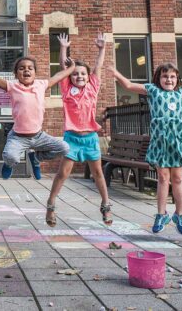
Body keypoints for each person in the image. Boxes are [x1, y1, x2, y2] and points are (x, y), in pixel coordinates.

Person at [111, 59, 182, 235]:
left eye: (172, 77)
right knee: (163, 178)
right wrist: (116, 74)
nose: (169, 80)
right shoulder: (153, 90)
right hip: (160, 142)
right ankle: (161, 214)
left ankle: (180, 214)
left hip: (177, 141)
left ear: (177, 79)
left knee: (177, 178)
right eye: (165, 76)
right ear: (158, 78)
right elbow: (130, 85)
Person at [0, 51, 74, 180]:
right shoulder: (12, 86)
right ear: (16, 74)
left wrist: (71, 68)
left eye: (30, 68)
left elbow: (59, 75)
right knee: (10, 157)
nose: (26, 71)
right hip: (18, 137)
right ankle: (8, 164)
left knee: (65, 148)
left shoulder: (42, 85)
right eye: (21, 68)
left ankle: (35, 158)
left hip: (39, 136)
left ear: (35, 72)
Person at [46, 33, 112, 227]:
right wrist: (64, 48)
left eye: (83, 73)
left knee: (98, 173)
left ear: (88, 77)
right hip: (71, 139)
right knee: (62, 173)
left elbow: (98, 67)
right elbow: (63, 67)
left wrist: (102, 49)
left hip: (90, 138)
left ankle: (106, 204)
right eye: (76, 73)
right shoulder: (67, 89)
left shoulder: (92, 88)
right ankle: (51, 204)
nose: (79, 76)